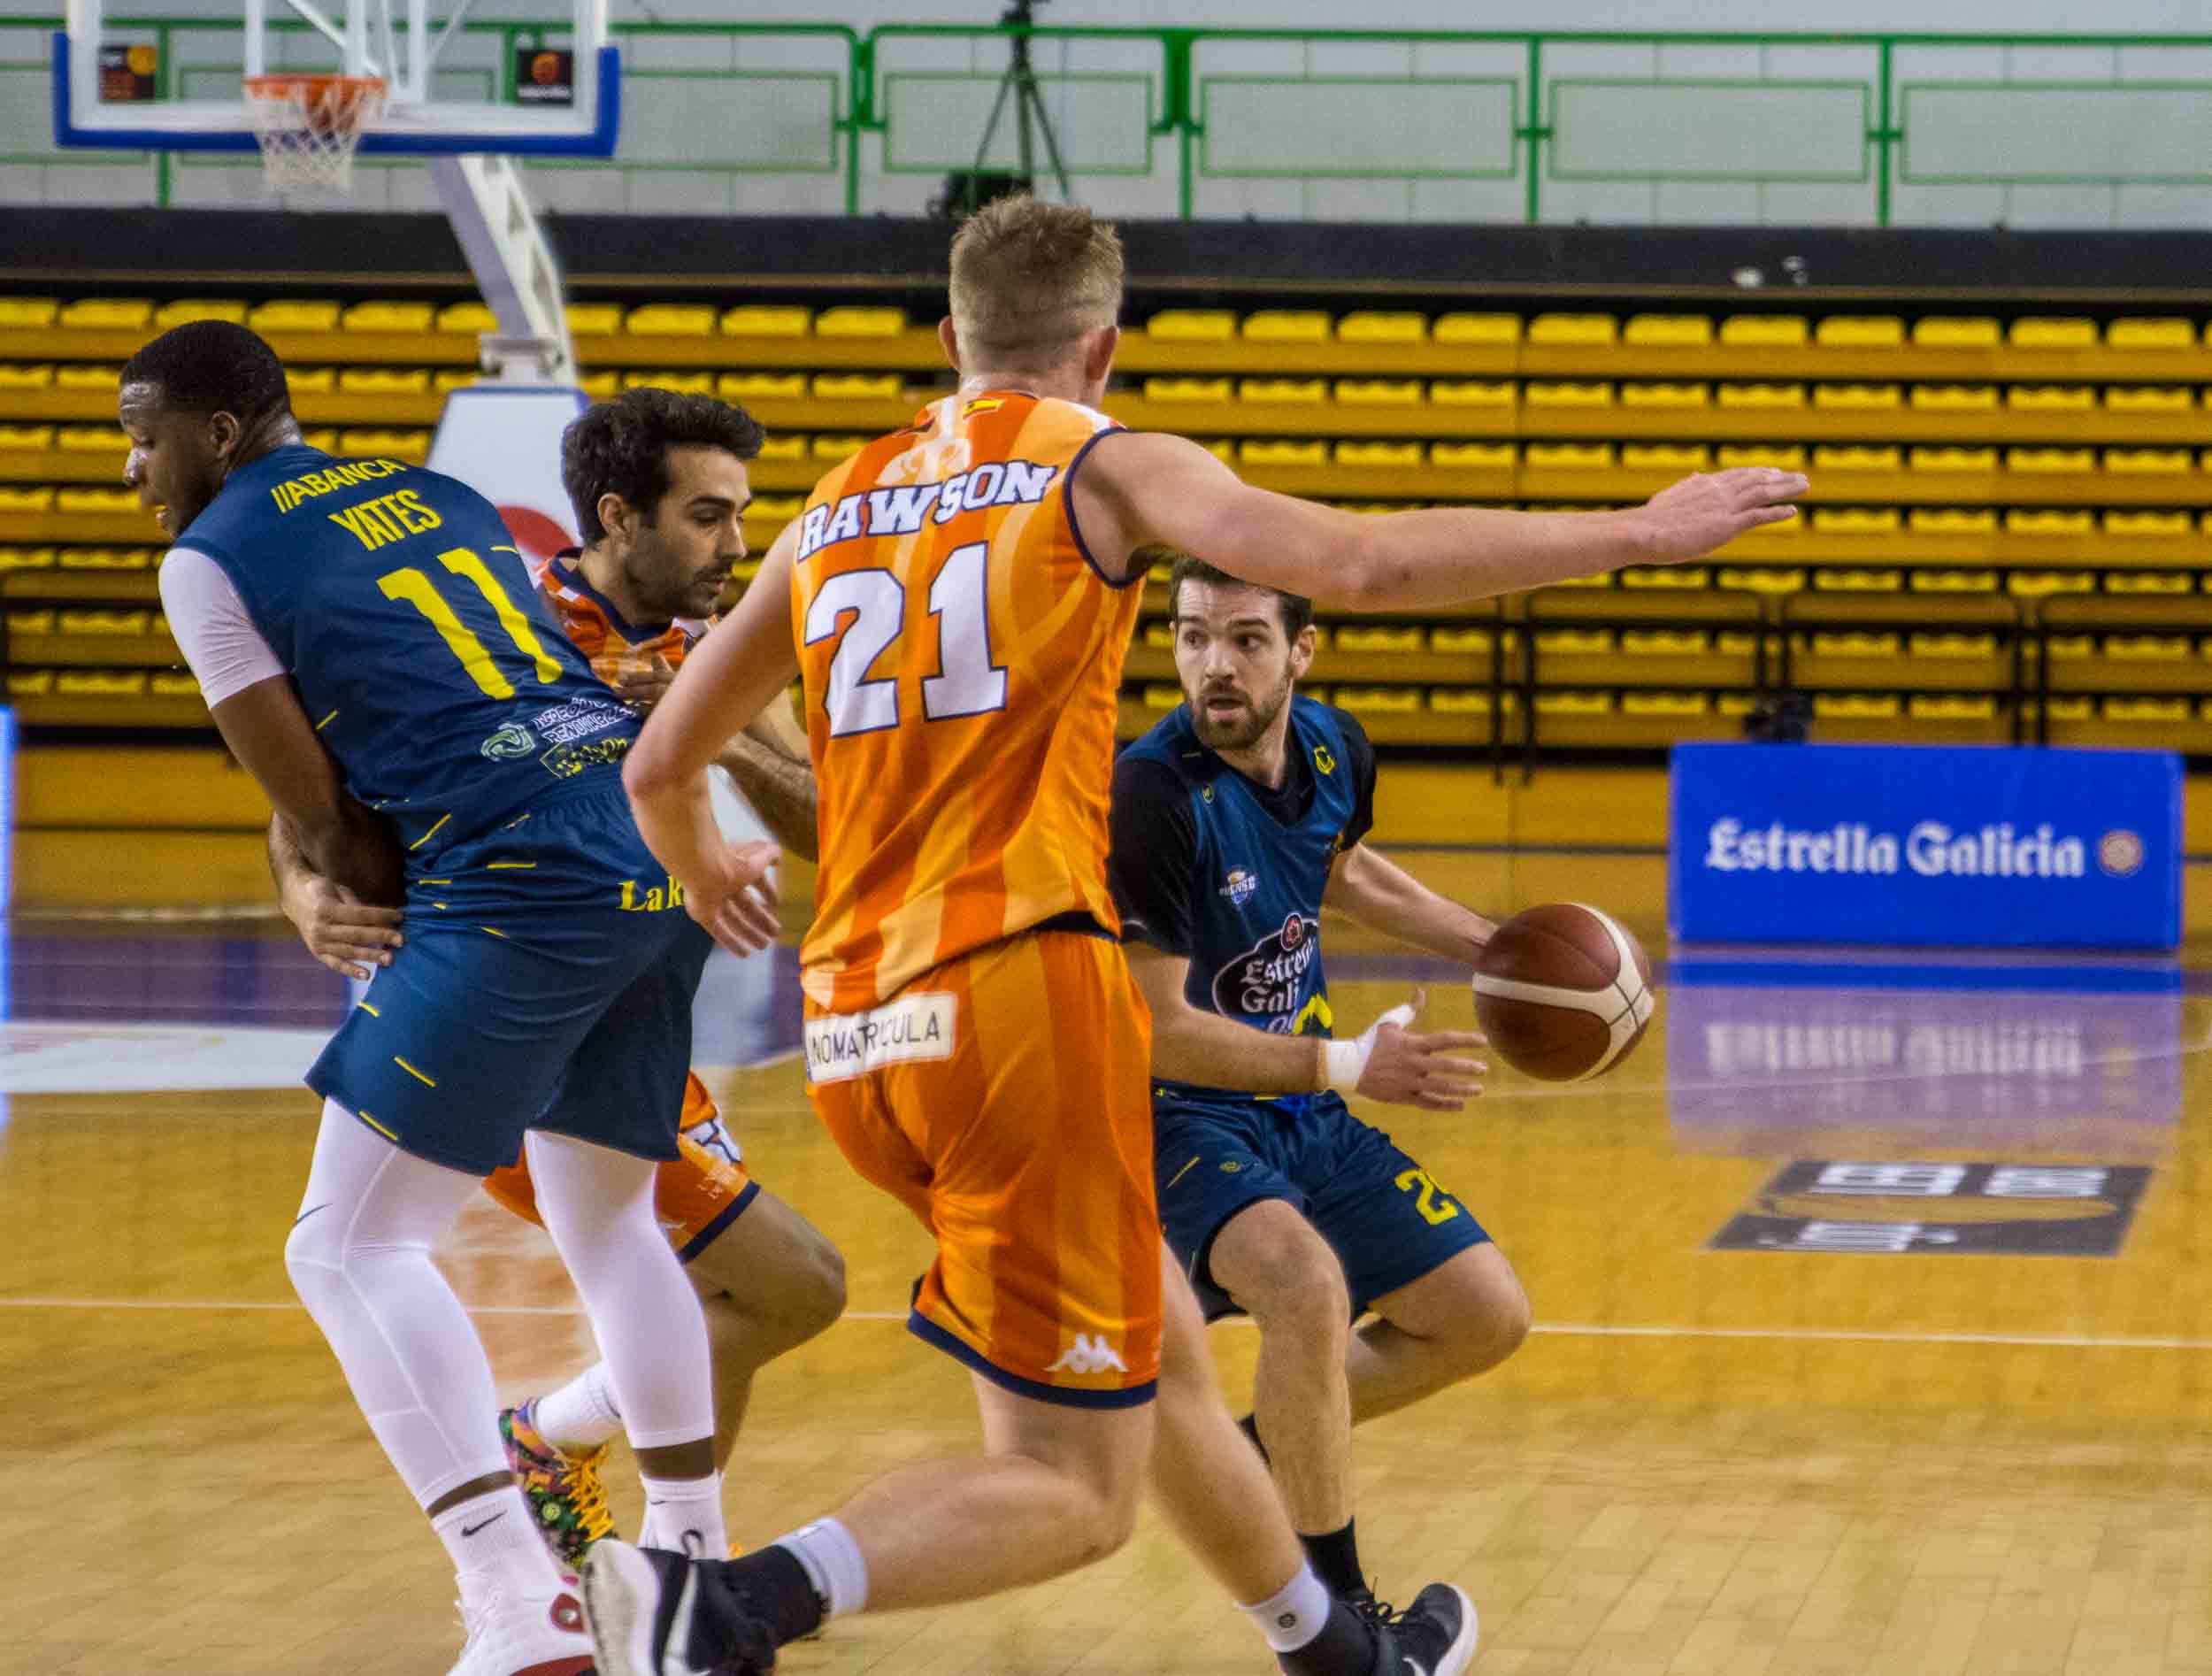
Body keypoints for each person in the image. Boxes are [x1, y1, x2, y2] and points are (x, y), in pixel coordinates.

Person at [587, 195, 1805, 1676]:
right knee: (1074, 1486)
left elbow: (662, 764)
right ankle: (718, 1602)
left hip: (854, 1032)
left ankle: (1332, 1646)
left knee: (1156, 1353)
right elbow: (1356, 564)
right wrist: (1640, 530)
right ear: (1102, 342)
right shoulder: (1099, 464)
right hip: (1019, 1002)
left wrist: (706, 867)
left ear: (951, 334)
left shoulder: (835, 504)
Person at [127, 319, 779, 1676]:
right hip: (637, 822)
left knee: (348, 1246)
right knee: (611, 1226)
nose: (138, 469)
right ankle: (691, 1575)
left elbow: (311, 803)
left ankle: (515, 1592)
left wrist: (358, 898)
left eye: (148, 436)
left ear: (220, 433)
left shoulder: (205, 559)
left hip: (520, 872)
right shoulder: (442, 495)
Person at [269, 386, 844, 1572]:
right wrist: (306, 891)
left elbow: (824, 827)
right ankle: (668, 1562)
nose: (737, 545)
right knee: (784, 1283)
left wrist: (708, 729)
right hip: (507, 1015)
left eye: (742, 517)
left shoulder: (719, 650)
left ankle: (568, 1451)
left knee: (785, 1292)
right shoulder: (500, 621)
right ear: (619, 516)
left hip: (626, 1012)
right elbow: (310, 786)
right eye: (708, 515)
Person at [1113, 552, 1531, 1616]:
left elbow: (1339, 864)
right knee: (1304, 1288)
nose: (1215, 664)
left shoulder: (1333, 746)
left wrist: (1492, 945)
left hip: (1304, 1108)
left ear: (1301, 650)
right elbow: (1156, 1035)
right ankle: (1335, 1617)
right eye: (1194, 635)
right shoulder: (1153, 793)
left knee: (1482, 1314)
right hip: (1178, 1117)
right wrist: (1349, 1061)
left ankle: (1249, 1454)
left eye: (1245, 639)